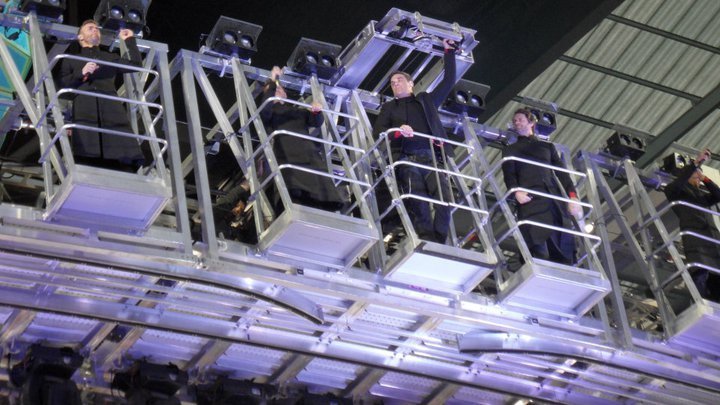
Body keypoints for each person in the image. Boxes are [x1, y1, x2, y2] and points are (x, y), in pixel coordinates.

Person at [372, 38, 457, 243]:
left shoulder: (425, 100)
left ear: (410, 83)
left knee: (445, 201)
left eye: (399, 80)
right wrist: (398, 131)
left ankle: (438, 241)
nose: (395, 84)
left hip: (432, 159)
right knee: (418, 203)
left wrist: (449, 52)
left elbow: (448, 81)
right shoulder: (389, 108)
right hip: (406, 159)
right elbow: (378, 131)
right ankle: (427, 241)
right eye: (392, 83)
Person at [59, 20, 145, 171]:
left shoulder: (109, 57)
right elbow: (64, 85)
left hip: (111, 108)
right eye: (90, 28)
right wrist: (81, 73)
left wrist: (129, 40)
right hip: (85, 109)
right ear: (80, 37)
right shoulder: (70, 59)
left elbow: (136, 65)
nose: (95, 30)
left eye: (96, 29)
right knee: (87, 155)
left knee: (122, 154)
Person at [257, 66, 344, 212]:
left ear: (285, 94)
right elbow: (265, 106)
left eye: (279, 89)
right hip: (288, 150)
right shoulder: (268, 113)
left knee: (318, 181)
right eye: (273, 90)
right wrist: (273, 80)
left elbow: (315, 122)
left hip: (308, 152)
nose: (277, 90)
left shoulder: (297, 110)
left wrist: (316, 111)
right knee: (294, 184)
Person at [501, 108, 582, 264]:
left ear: (531, 122)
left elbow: (562, 173)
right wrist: (516, 192)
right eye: (515, 120)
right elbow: (509, 175)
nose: (516, 122)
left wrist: (573, 197)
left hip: (553, 200)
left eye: (520, 119)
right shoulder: (510, 150)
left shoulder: (547, 147)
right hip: (531, 200)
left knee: (563, 245)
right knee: (537, 246)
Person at [664, 148, 720, 300]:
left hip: (713, 240)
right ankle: (701, 300)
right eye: (696, 175)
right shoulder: (674, 191)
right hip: (696, 241)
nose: (698, 178)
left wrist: (705, 179)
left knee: (717, 280)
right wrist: (696, 163)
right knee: (700, 274)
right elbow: (678, 183)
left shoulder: (702, 197)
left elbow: (718, 195)